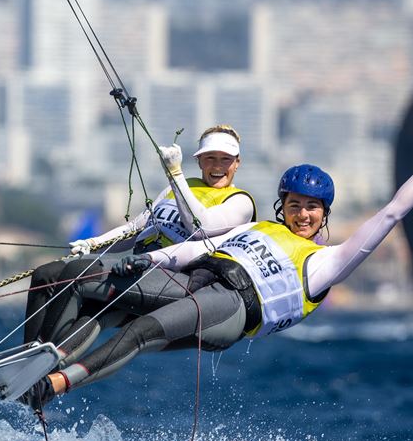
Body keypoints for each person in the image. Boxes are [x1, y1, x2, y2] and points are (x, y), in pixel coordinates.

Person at [22, 137, 413, 409]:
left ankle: (54, 386)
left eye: (312, 208)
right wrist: (146, 260)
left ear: (324, 213)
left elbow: (391, 213)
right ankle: (36, 358)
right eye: (294, 205)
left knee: (143, 331)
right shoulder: (257, 227)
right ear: (282, 206)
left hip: (231, 308)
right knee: (80, 278)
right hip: (194, 279)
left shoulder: (329, 262)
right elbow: (198, 248)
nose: (302, 214)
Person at [23, 125, 256, 347]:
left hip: (173, 278)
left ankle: (45, 355)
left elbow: (202, 226)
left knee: (82, 282)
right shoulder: (179, 187)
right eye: (210, 158)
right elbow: (136, 228)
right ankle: (29, 352)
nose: (217, 166)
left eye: (225, 159)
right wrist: (93, 244)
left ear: (237, 163)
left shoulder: (239, 201)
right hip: (134, 266)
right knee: (46, 273)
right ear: (199, 161)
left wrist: (175, 174)